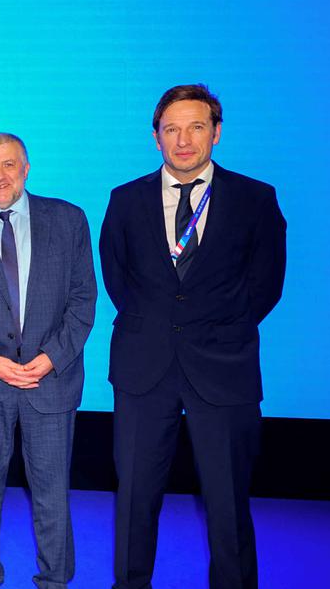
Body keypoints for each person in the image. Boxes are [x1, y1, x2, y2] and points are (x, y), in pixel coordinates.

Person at [100, 84, 286, 589]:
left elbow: (266, 284)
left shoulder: (255, 198)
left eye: (196, 127)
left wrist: (218, 326)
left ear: (217, 133)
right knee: (135, 499)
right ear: (155, 137)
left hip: (224, 368)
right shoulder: (125, 199)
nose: (184, 140)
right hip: (144, 368)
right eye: (172, 129)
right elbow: (118, 279)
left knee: (228, 503)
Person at [0, 132, 96, 589]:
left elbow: (84, 301)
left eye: (8, 164)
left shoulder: (68, 220)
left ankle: (54, 578)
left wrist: (51, 357)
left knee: (51, 489)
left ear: (26, 168)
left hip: (50, 380)